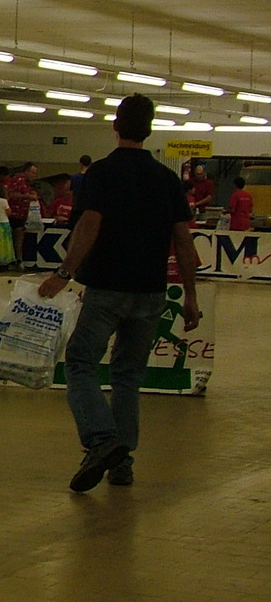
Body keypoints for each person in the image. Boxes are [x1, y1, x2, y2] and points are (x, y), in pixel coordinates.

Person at [38, 95, 201, 492]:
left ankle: (101, 440)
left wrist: (63, 272)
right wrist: (191, 296)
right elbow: (184, 242)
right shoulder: (166, 179)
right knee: (127, 376)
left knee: (80, 362)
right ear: (150, 128)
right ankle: (122, 463)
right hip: (150, 293)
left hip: (107, 288)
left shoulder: (101, 173)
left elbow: (89, 225)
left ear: (116, 125)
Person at [7, 162, 42, 266]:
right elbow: (11, 194)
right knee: (17, 237)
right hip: (15, 214)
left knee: (20, 237)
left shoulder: (27, 183)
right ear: (26, 171)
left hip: (22, 214)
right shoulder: (18, 180)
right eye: (32, 173)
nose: (33, 175)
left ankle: (18, 259)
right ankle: (16, 259)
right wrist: (27, 196)